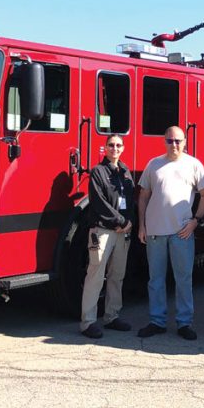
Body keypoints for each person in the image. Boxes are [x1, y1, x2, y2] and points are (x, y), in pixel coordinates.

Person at [137, 126, 204, 340]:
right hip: (155, 232)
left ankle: (184, 323)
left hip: (182, 233)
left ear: (185, 141)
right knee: (156, 279)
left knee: (183, 279)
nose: (174, 145)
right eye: (170, 141)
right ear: (164, 142)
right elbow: (143, 196)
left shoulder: (193, 164)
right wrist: (142, 225)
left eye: (178, 140)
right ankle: (156, 321)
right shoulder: (154, 164)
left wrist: (195, 221)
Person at [80, 134, 136, 339]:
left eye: (119, 145)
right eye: (111, 145)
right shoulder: (97, 172)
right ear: (105, 148)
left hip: (122, 233)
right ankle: (88, 322)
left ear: (123, 148)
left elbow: (130, 200)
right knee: (95, 275)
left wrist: (129, 222)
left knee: (117, 276)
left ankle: (112, 316)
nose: (115, 148)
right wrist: (121, 221)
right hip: (102, 231)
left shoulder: (126, 172)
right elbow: (98, 203)